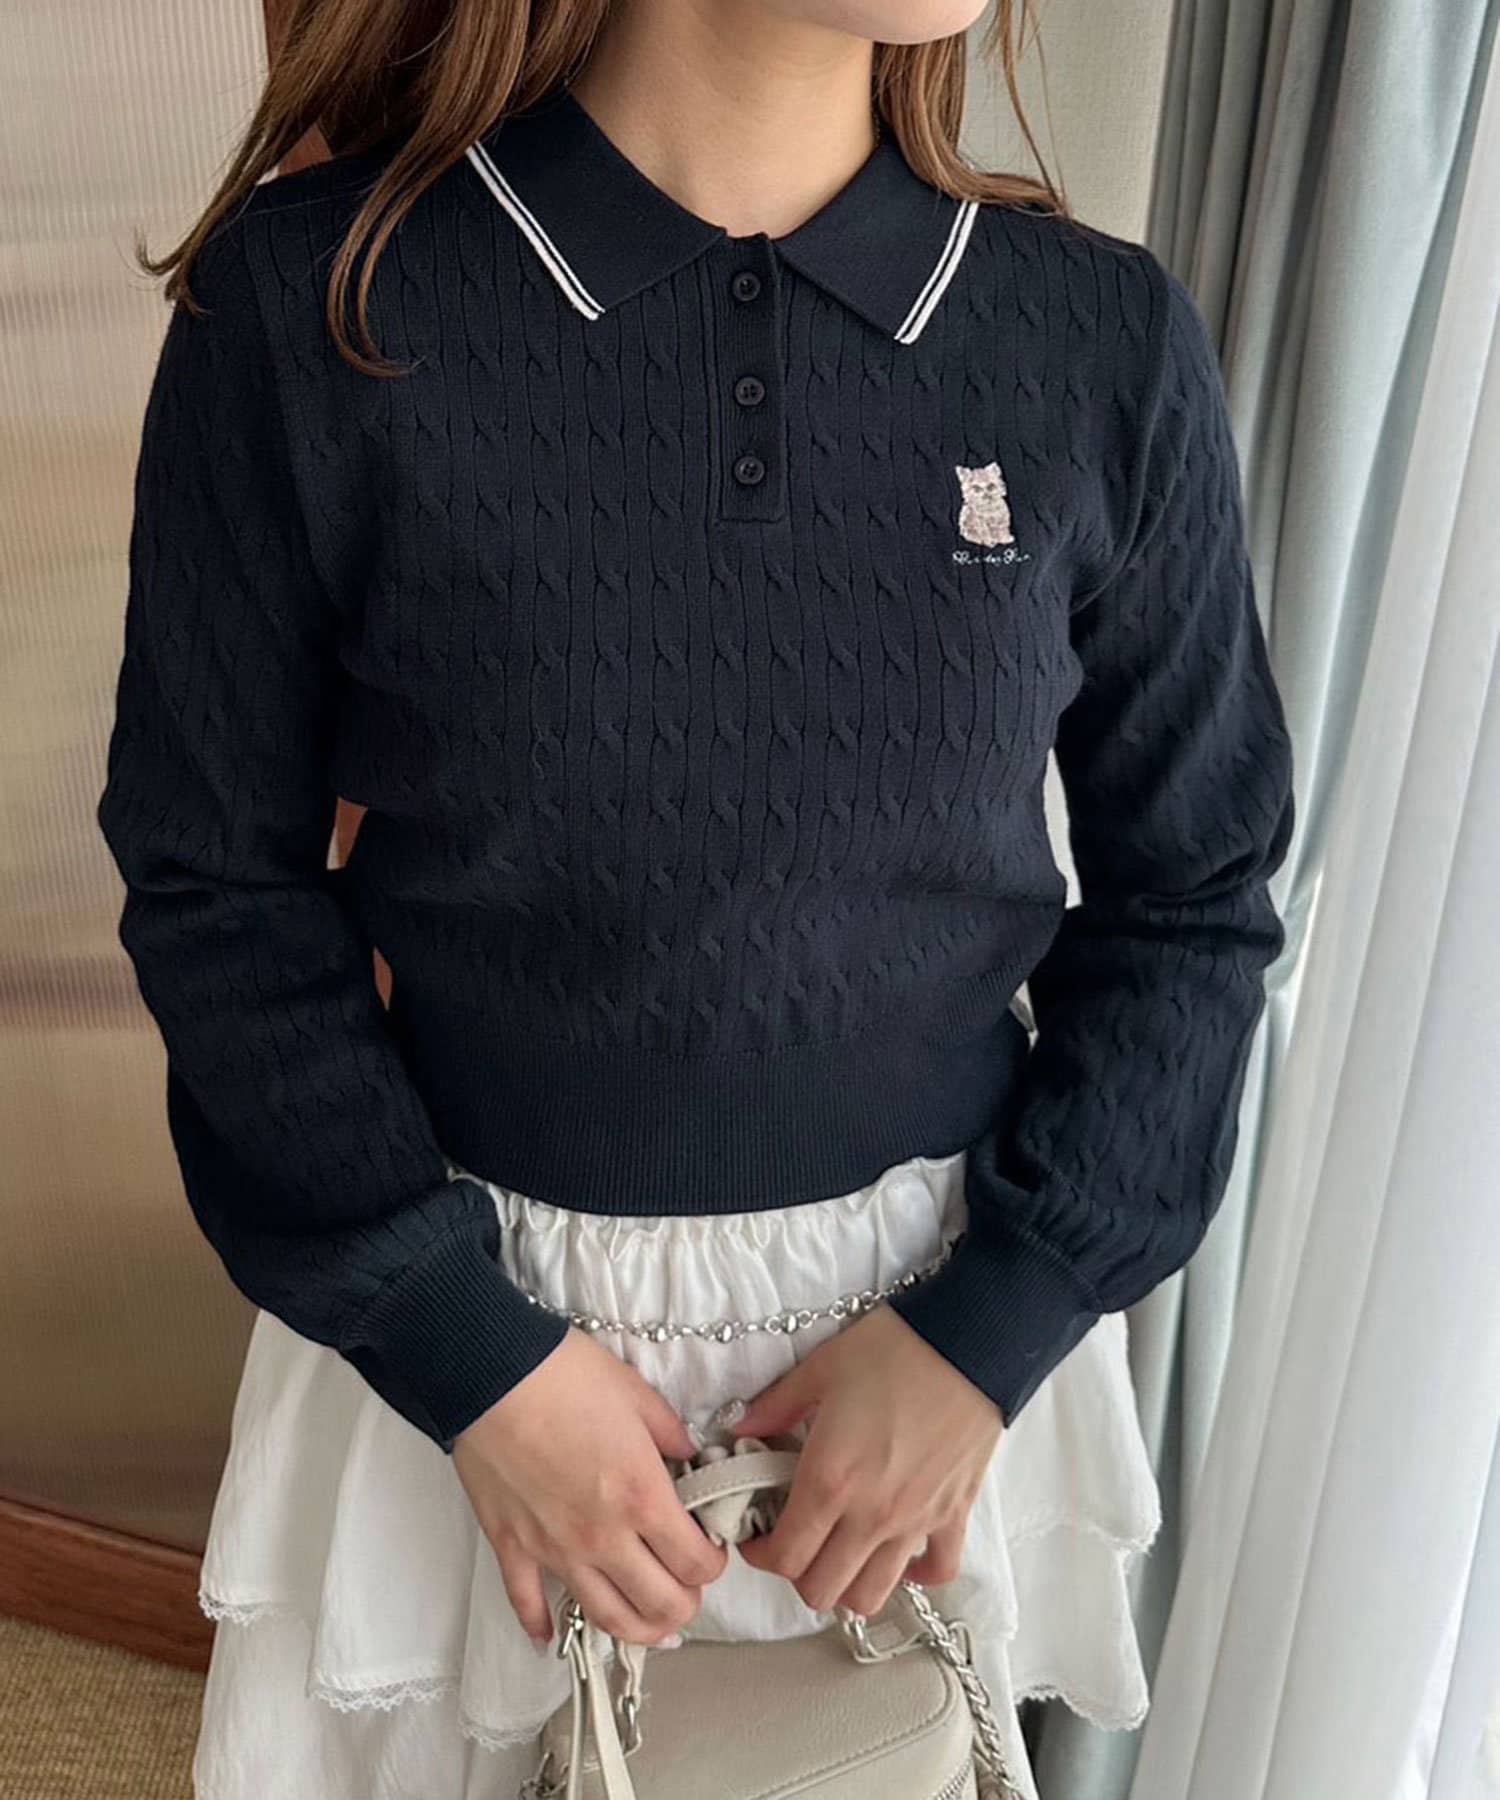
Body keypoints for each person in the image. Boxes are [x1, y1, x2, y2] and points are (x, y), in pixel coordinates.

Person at [94, 0, 1296, 1794]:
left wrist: (993, 1330)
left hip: (926, 1368)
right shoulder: (311, 306)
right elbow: (214, 886)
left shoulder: (1098, 338)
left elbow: (1195, 898)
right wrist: (470, 1357)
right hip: (457, 1347)